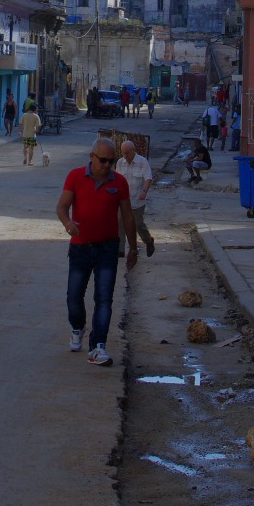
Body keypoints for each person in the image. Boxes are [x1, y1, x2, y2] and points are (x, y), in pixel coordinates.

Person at [56, 137, 137, 366]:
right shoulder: (74, 176)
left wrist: (133, 248)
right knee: (74, 296)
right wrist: (68, 223)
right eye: (103, 160)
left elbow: (128, 217)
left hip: (107, 248)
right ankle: (77, 327)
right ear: (91, 157)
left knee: (104, 299)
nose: (107, 165)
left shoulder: (119, 183)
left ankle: (98, 346)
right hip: (80, 247)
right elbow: (62, 206)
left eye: (111, 161)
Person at [116, 138, 155, 256]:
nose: (125, 155)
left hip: (137, 201)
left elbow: (148, 178)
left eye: (127, 152)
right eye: (123, 153)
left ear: (133, 151)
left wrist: (144, 191)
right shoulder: (120, 162)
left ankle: (148, 241)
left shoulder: (142, 162)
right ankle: (120, 250)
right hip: (122, 201)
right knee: (120, 224)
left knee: (138, 224)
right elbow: (117, 180)